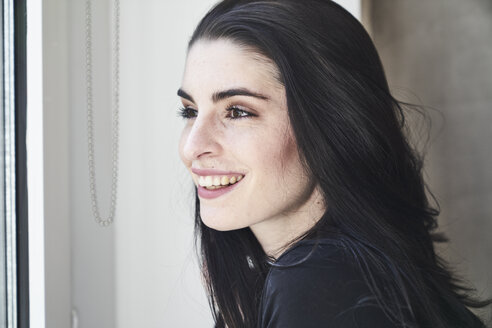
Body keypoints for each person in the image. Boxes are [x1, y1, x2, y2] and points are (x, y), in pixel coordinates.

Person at [176, 0, 491, 327]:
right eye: (190, 111)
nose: (192, 147)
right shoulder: (343, 276)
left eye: (238, 112)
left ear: (333, 122)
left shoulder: (319, 285)